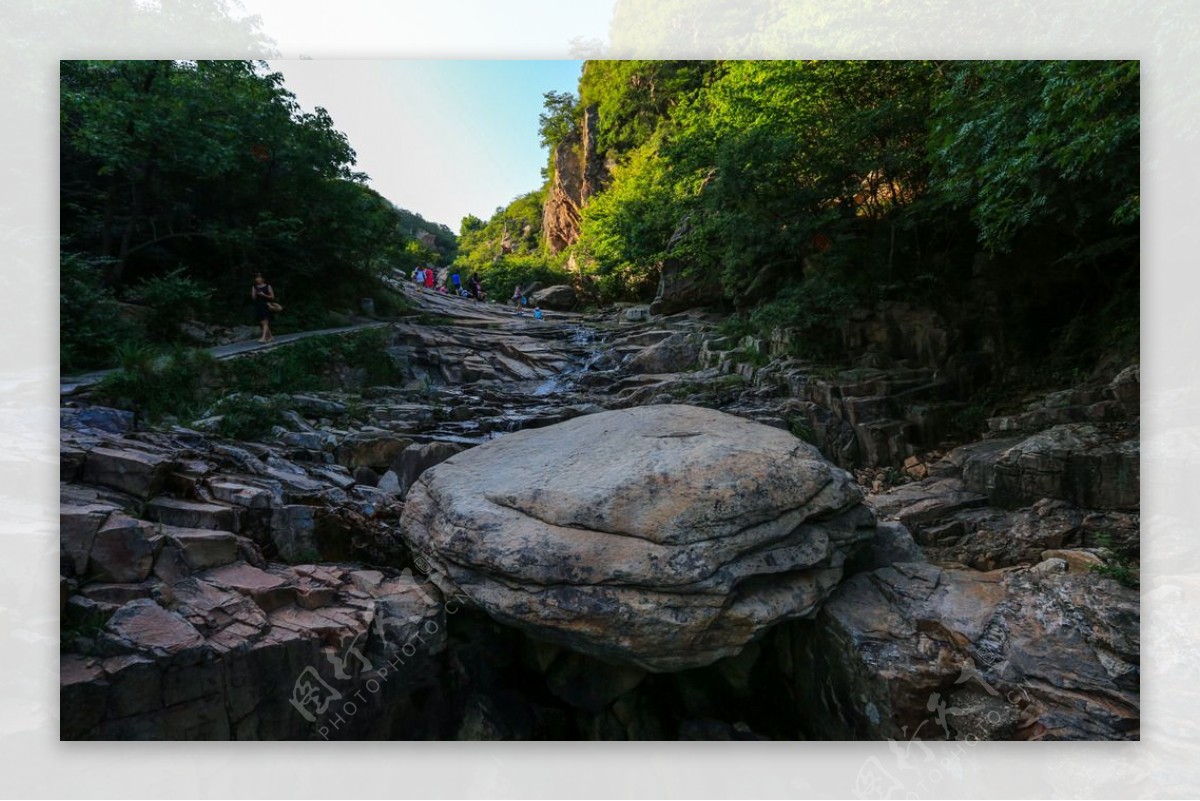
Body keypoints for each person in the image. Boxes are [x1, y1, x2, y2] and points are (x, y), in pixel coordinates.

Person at [250, 273, 276, 343]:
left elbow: (272, 297)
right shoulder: (254, 287)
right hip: (259, 305)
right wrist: (254, 292)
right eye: (256, 278)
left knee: (265, 322)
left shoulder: (268, 286)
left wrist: (264, 295)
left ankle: (264, 338)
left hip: (266, 305)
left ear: (263, 279)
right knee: (263, 322)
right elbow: (253, 298)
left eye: (259, 278)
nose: (257, 279)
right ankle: (270, 337)